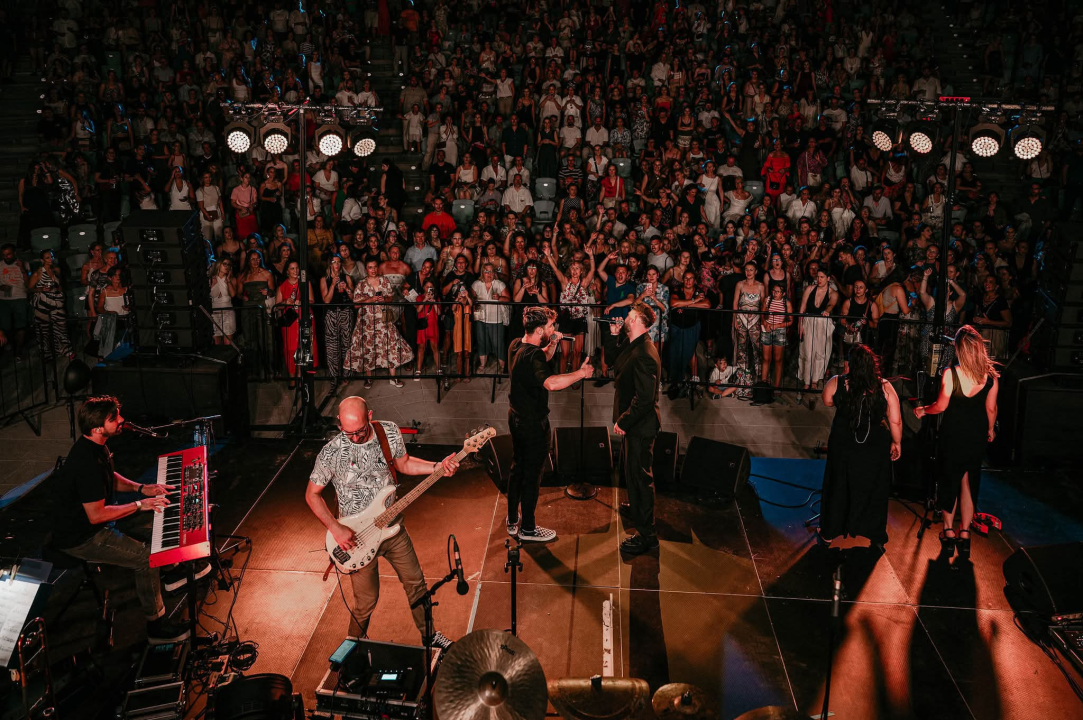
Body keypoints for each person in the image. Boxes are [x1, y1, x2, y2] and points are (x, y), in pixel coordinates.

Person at [305, 396, 459, 645]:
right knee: (366, 603)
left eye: (360, 431)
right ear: (339, 423)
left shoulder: (387, 431)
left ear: (369, 416)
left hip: (392, 527)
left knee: (417, 584)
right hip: (355, 538)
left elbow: (404, 464)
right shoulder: (331, 452)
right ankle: (351, 650)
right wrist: (335, 528)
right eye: (348, 433)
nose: (355, 438)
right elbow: (312, 495)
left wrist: (437, 467)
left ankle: (429, 636)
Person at [49, 396, 190, 644]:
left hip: (96, 520)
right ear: (97, 428)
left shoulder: (95, 445)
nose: (122, 420)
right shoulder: (86, 462)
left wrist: (142, 489)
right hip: (82, 537)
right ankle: (156, 626)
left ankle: (171, 576)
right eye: (114, 418)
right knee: (145, 559)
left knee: (155, 517)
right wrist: (139, 504)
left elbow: (109, 476)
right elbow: (96, 516)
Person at [506, 307, 594, 542]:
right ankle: (529, 529)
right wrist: (581, 373)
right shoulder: (532, 355)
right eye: (549, 327)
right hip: (533, 425)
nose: (554, 330)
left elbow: (540, 358)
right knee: (533, 476)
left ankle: (512, 520)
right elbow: (551, 383)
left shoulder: (517, 344)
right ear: (538, 330)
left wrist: (552, 344)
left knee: (518, 468)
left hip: (515, 417)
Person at [914, 326, 1000, 561]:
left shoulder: (951, 374)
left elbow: (940, 406)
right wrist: (990, 429)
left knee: (949, 479)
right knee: (969, 483)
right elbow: (991, 409)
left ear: (960, 350)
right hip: (976, 437)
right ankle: (965, 535)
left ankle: (949, 531)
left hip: (953, 436)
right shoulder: (990, 378)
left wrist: (923, 410)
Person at [818, 345, 903, 550]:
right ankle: (875, 536)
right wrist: (897, 442)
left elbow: (827, 401)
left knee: (838, 485)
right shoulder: (884, 387)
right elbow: (895, 421)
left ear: (851, 364)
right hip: (873, 446)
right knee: (873, 488)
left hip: (843, 444)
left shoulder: (837, 382)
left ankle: (829, 533)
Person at [611, 302, 662, 557]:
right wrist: (614, 336)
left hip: (641, 426)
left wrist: (623, 421)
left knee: (641, 479)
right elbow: (617, 364)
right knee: (632, 473)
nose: (626, 318)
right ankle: (637, 509)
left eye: (630, 316)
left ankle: (647, 536)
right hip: (635, 425)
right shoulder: (635, 345)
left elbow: (644, 399)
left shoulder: (645, 352)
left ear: (638, 321)